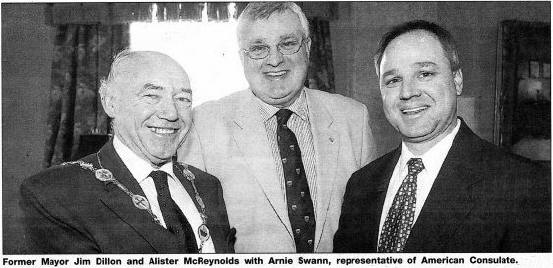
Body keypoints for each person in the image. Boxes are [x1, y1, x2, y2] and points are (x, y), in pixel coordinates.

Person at [334, 20, 551, 253]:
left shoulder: (521, 185)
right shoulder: (361, 184)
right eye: (393, 80)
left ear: (457, 80)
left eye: (425, 73)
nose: (408, 92)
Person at [179, 2, 376, 253]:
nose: (274, 60)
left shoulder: (353, 118)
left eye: (288, 44)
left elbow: (370, 225)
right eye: (259, 48)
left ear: (308, 47)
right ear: (242, 57)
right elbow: (195, 238)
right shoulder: (203, 124)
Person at [20, 50, 235, 253]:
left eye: (182, 99)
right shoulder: (56, 192)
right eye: (151, 95)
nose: (171, 113)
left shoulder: (207, 186)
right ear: (110, 102)